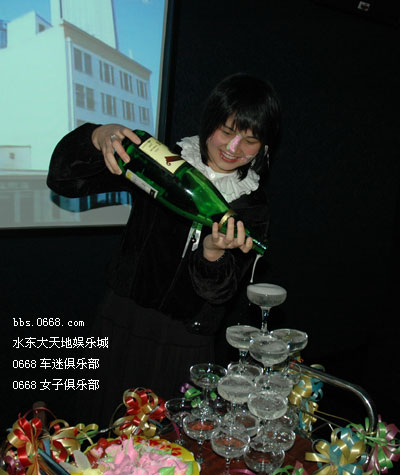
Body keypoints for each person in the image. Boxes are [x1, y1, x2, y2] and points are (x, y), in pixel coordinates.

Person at [47, 73, 281, 427]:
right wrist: (97, 135)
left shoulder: (252, 206)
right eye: (227, 131)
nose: (234, 148)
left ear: (264, 147)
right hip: (120, 322)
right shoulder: (163, 164)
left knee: (162, 446)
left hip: (183, 346)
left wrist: (212, 253)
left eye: (250, 141)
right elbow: (63, 179)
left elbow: (220, 295)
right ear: (209, 122)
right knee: (97, 430)